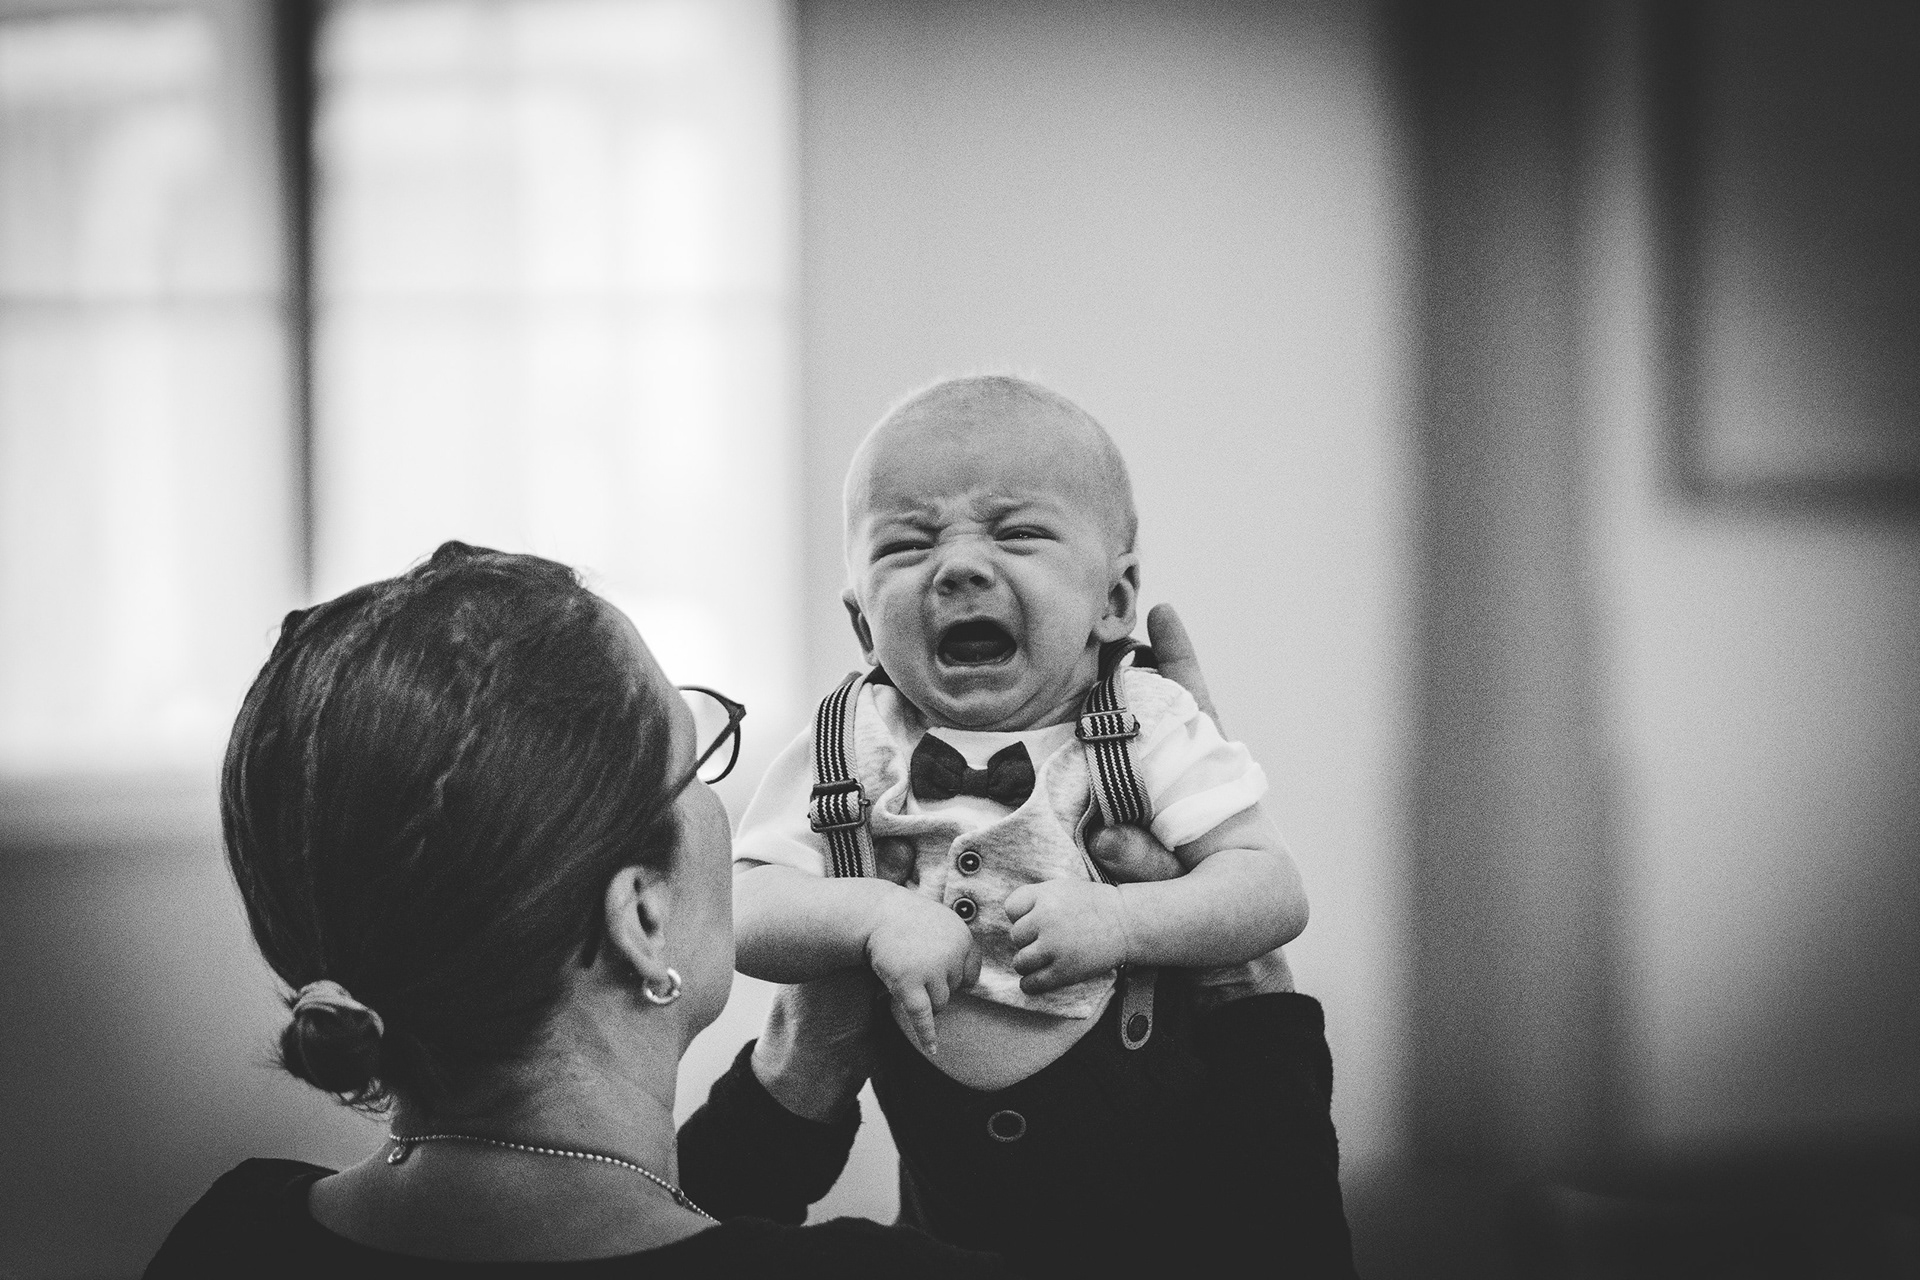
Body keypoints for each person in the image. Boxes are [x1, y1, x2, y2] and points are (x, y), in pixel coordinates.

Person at [145, 540, 1353, 1276]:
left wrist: (798, 1075)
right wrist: (1243, 973)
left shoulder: (228, 1237)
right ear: (641, 917)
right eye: (696, 762)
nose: (730, 807)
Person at [730, 376, 1339, 1273]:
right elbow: (745, 911)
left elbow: (1270, 887)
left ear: (1115, 601)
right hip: (944, 1214)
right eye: (906, 544)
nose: (959, 568)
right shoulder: (849, 742)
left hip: (1170, 1214)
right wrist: (871, 914)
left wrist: (1125, 920)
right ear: (862, 623)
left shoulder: (1146, 723)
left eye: (1016, 533)